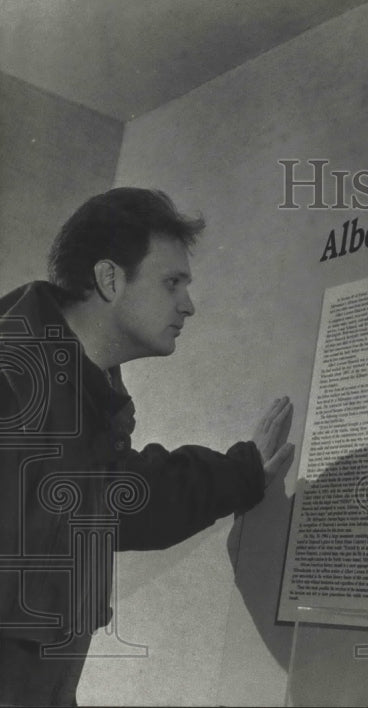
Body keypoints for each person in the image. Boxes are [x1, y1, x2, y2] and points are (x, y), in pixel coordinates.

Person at [0, 188, 294, 706]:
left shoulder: (86, 393)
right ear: (110, 279)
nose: (189, 304)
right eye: (171, 282)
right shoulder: (13, 378)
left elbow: (125, 498)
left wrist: (242, 471)